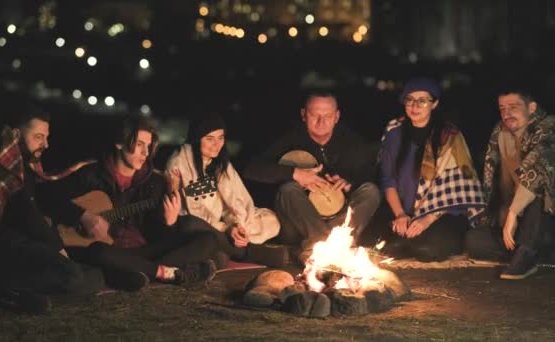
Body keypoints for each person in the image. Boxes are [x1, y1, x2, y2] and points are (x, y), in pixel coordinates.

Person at [0, 107, 105, 314]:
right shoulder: (1, 164)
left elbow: (43, 200)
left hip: (29, 243)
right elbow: (24, 210)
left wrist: (78, 217)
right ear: (16, 134)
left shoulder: (27, 164)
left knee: (95, 275)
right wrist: (58, 248)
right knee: (74, 275)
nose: (46, 144)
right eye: (38, 137)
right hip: (3, 243)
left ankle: (18, 296)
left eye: (46, 137)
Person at [44, 114, 218, 288]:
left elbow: (159, 236)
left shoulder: (155, 183)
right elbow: (47, 194)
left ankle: (138, 272)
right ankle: (167, 273)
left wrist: (169, 222)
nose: (146, 153)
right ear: (120, 143)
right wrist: (83, 216)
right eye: (140, 144)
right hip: (106, 251)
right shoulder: (93, 175)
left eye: (149, 146)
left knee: (207, 239)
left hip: (142, 252)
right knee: (98, 251)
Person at [243, 92, 381, 263]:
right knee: (288, 189)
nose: (321, 122)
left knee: (371, 191)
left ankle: (317, 247)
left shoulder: (352, 142)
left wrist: (350, 184)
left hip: (339, 221)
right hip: (297, 226)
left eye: (327, 116)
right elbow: (249, 168)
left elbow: (370, 176)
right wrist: (294, 174)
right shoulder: (288, 138)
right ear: (303, 115)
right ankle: (329, 246)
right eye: (314, 115)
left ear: (336, 116)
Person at [369, 78, 486, 261]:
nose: (415, 106)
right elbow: (388, 180)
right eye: (410, 99)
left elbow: (462, 186)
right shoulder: (394, 133)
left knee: (428, 251)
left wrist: (427, 219)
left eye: (422, 100)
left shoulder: (449, 136)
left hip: (442, 213)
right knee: (391, 249)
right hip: (404, 212)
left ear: (434, 104)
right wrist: (400, 214)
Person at [165, 114, 287, 268]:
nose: (216, 145)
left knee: (271, 221)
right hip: (199, 225)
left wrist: (236, 224)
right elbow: (194, 211)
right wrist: (226, 229)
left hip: (222, 223)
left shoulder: (221, 162)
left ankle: (227, 246)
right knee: (211, 248)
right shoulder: (179, 163)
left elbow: (235, 200)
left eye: (220, 138)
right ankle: (245, 251)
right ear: (197, 139)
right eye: (210, 139)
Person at [466, 88, 555, 279]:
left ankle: (526, 253)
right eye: (502, 108)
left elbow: (537, 172)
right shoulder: (501, 132)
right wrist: (504, 216)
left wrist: (513, 213)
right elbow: (501, 180)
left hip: (547, 212)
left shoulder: (548, 128)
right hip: (521, 217)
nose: (507, 113)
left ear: (531, 107)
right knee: (475, 241)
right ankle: (530, 249)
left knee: (537, 197)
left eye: (514, 107)